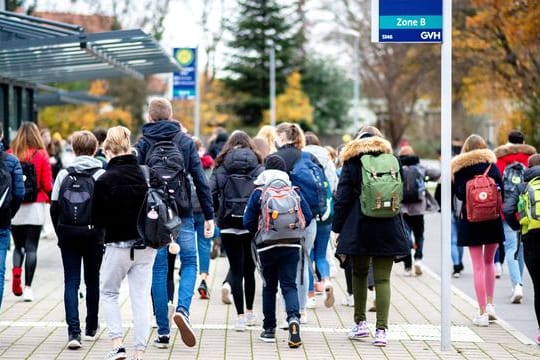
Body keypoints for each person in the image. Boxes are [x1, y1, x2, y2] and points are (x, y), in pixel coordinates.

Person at [134, 97, 214, 348]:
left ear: (149, 117)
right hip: (184, 211)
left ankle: (163, 331)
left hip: (154, 214)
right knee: (190, 262)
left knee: (157, 270)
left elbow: (136, 182)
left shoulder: (143, 142)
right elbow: (201, 180)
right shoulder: (185, 141)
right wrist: (210, 215)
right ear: (170, 116)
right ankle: (183, 310)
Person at [333, 126, 409, 347]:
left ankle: (360, 325)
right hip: (388, 225)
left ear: (358, 140)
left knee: (359, 274)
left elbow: (343, 198)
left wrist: (336, 229)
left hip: (360, 226)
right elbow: (399, 193)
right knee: (383, 279)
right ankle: (382, 331)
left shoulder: (352, 161)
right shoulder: (393, 160)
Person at [92, 126, 155, 360]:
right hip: (146, 245)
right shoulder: (146, 175)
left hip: (117, 245)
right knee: (140, 297)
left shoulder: (105, 179)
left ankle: (118, 344)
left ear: (108, 150)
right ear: (129, 147)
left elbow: (96, 218)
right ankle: (139, 351)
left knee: (109, 292)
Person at [243, 154, 313, 348]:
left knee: (269, 287)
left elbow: (247, 221)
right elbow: (307, 216)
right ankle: (293, 321)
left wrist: (260, 232)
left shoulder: (259, 192)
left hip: (267, 246)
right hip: (292, 244)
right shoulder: (294, 190)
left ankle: (268, 329)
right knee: (289, 285)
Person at [50, 131, 105, 350]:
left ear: (73, 149)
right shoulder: (101, 174)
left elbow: (54, 207)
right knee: (93, 280)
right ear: (95, 149)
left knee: (71, 282)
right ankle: (91, 326)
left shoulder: (64, 174)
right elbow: (105, 208)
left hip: (68, 234)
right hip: (94, 235)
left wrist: (60, 233)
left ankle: (74, 332)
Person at [210, 131, 264, 330]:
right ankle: (250, 312)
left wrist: (217, 213)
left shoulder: (222, 166)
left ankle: (239, 317)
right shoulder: (258, 165)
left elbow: (211, 192)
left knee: (236, 269)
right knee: (250, 270)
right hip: (250, 225)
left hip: (227, 224)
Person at [451, 134, 504, 327]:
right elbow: (502, 191)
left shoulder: (460, 168)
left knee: (477, 266)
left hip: (471, 220)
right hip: (493, 220)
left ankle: (481, 313)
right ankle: (490, 305)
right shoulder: (492, 166)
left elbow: (458, 194)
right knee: (490, 262)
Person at [274, 123, 319, 323]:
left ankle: (289, 312)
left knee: (283, 265)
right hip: (309, 219)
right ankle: (302, 310)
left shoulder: (276, 159)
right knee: (303, 262)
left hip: (282, 220)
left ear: (282, 137)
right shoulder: (309, 158)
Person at [9, 121, 53, 302]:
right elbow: (47, 184)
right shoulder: (41, 155)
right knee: (31, 247)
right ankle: (28, 288)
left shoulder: (10, 154)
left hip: (15, 208)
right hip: (35, 206)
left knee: (18, 246)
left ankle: (16, 273)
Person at [494, 129, 536, 303]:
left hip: (508, 210)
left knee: (511, 246)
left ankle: (517, 285)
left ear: (507, 142)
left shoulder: (500, 159)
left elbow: (497, 184)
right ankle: (519, 285)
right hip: (529, 210)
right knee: (521, 248)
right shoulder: (531, 158)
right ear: (524, 140)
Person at [503, 154, 540, 345]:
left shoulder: (522, 186)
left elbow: (508, 209)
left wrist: (518, 227)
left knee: (538, 288)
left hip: (532, 238)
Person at [303, 132, 338, 308]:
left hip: (308, 212)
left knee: (308, 255)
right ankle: (326, 281)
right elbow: (334, 183)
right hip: (325, 212)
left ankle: (310, 296)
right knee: (321, 254)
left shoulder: (301, 157)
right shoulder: (326, 156)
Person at [397, 145, 440, 276]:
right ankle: (418, 259)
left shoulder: (397, 168)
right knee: (419, 234)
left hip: (402, 208)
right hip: (418, 208)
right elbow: (438, 173)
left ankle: (408, 266)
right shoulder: (420, 167)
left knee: (405, 235)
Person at [0, 124, 24, 312]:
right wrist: (10, 214)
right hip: (2, 221)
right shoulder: (11, 161)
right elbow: (18, 194)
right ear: (1, 136)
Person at [191, 136, 215, 299]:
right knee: (204, 244)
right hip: (204, 210)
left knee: (187, 246)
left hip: (186, 211)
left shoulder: (183, 163)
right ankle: (204, 278)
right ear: (201, 149)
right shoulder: (208, 165)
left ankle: (186, 275)